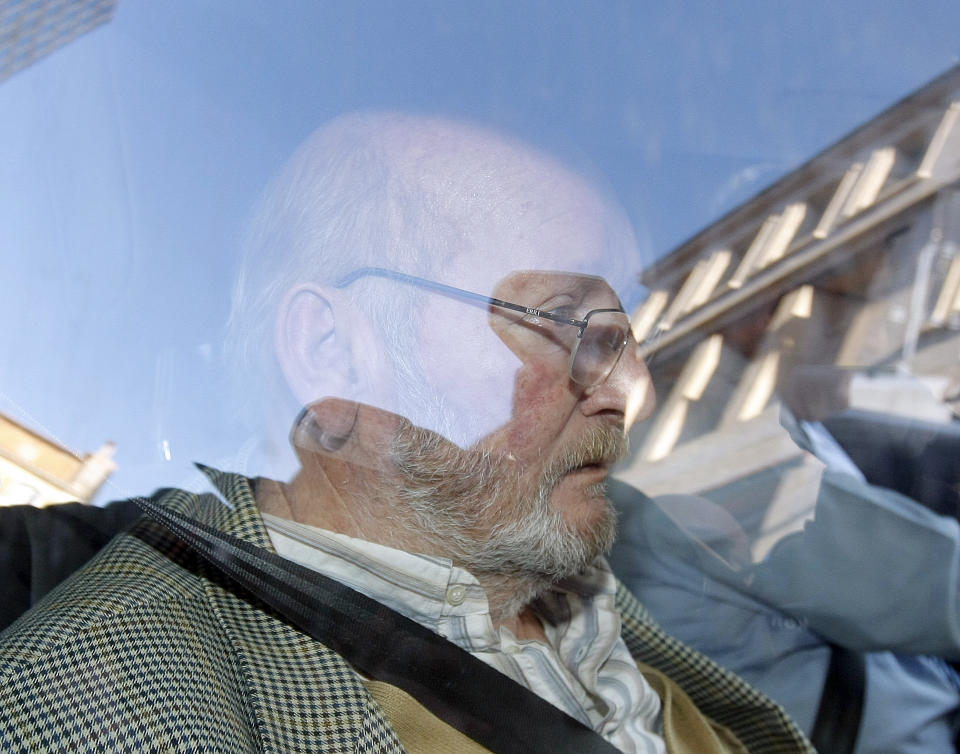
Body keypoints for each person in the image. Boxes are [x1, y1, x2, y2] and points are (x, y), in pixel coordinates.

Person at [0, 114, 811, 753]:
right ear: (334, 353)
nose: (635, 388)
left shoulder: (560, 559)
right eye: (567, 321)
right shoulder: (95, 704)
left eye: (624, 337)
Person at [608, 411, 960, 753]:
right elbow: (939, 588)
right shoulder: (724, 439)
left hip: (922, 692)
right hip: (905, 731)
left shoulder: (776, 416)